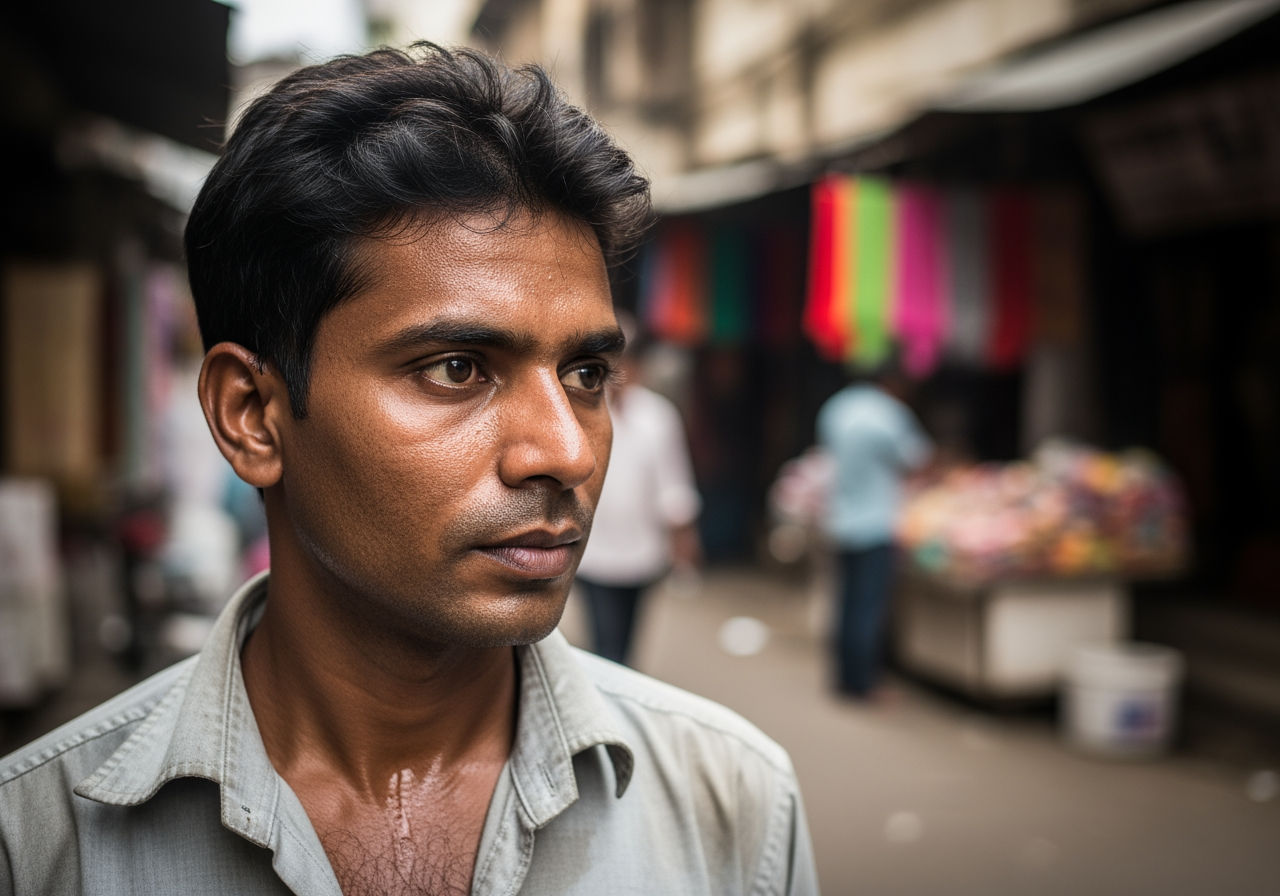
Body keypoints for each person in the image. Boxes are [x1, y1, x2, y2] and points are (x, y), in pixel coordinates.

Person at [0, 46, 817, 895]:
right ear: (252, 414)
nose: (567, 451)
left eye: (586, 376)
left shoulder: (733, 809)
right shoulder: (39, 849)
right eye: (457, 368)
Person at [574, 318, 701, 665]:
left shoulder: (658, 417)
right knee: (604, 644)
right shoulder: (581, 411)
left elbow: (674, 487)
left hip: (642, 552)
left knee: (626, 646)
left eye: (626, 363)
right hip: (594, 552)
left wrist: (683, 543)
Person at [817, 363, 932, 699]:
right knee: (868, 608)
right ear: (892, 382)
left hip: (839, 519)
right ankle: (862, 684)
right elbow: (916, 459)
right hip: (874, 524)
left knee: (844, 602)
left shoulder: (836, 407)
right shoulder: (890, 414)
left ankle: (841, 677)